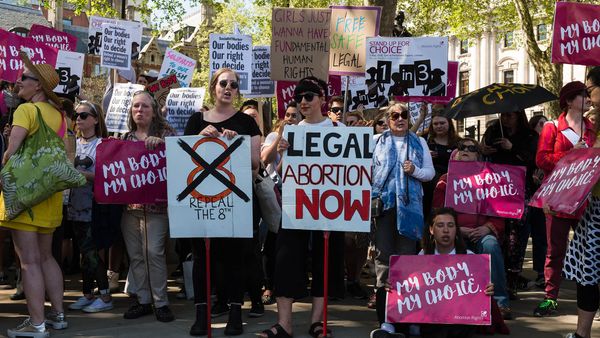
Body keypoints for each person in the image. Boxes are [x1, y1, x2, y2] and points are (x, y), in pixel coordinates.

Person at [260, 76, 346, 338]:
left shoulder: (340, 131)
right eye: (299, 98)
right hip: (295, 204)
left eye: (309, 96)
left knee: (324, 259)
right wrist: (284, 152)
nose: (303, 102)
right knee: (286, 260)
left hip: (328, 206)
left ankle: (317, 321)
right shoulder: (293, 130)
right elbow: (280, 172)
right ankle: (284, 324)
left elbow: (350, 172)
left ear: (322, 99)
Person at [184, 68, 261, 336]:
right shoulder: (196, 121)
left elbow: (254, 163)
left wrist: (235, 142)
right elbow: (185, 158)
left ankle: (235, 313)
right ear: (213, 87)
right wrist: (199, 139)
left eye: (234, 85)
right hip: (201, 200)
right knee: (202, 257)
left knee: (234, 258)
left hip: (235, 202)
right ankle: (201, 314)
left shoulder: (247, 123)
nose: (228, 88)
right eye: (223, 83)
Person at [1, 58, 69, 337]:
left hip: (25, 195)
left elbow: (11, 153)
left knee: (27, 260)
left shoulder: (26, 110)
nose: (18, 81)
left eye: (23, 77)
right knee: (45, 257)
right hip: (49, 195)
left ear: (38, 85)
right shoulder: (60, 115)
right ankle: (59, 315)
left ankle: (37, 324)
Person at [370, 208, 495, 338]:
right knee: (384, 292)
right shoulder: (422, 255)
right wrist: (394, 285)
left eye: (450, 225)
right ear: (431, 230)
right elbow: (411, 289)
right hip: (426, 312)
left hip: (453, 320)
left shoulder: (470, 258)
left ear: (456, 230)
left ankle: (414, 330)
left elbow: (476, 300)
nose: (446, 230)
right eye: (440, 225)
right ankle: (388, 331)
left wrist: (486, 290)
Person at [534, 81, 596, 317]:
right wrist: (571, 153)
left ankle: (590, 301)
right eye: (582, 95)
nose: (588, 99)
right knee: (555, 249)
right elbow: (542, 160)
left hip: (585, 198)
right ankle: (550, 298)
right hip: (558, 197)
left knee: (590, 250)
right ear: (569, 101)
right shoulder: (552, 127)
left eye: (588, 94)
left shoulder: (592, 128)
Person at [432, 138, 512, 319]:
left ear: (479, 155)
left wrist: (487, 228)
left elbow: (500, 216)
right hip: (453, 235)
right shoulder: (445, 181)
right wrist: (456, 229)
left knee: (490, 244)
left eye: (471, 148)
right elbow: (436, 216)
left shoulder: (491, 180)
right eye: (461, 147)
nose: (465, 150)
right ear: (456, 154)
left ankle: (500, 302)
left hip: (481, 233)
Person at [370, 102, 435, 311]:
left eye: (404, 115)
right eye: (395, 115)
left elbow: (430, 173)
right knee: (383, 256)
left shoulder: (419, 142)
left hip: (410, 208)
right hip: (384, 206)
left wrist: (414, 170)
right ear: (388, 120)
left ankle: (405, 307)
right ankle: (384, 307)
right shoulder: (375, 141)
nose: (400, 119)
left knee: (406, 255)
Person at [120, 91, 176, 323]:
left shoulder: (166, 134)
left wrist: (163, 146)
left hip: (158, 209)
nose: (139, 110)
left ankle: (161, 302)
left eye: (144, 106)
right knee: (136, 255)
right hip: (130, 208)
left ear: (154, 111)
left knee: (153, 252)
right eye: (135, 106)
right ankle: (143, 300)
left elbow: (180, 161)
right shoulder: (125, 138)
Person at [482, 110, 538, 299]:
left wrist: (512, 147)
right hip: (496, 187)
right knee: (499, 232)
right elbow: (484, 153)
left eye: (510, 116)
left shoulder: (529, 135)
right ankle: (497, 279)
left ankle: (512, 281)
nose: (505, 119)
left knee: (517, 236)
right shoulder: (493, 130)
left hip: (519, 189)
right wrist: (484, 149)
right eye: (503, 115)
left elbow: (533, 159)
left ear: (518, 117)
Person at [562, 67, 600, 338]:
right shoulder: (594, 123)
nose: (588, 96)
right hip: (594, 207)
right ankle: (581, 333)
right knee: (589, 274)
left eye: (590, 89)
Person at [67, 101, 113, 313]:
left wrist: (86, 176)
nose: (78, 118)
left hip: (94, 207)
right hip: (74, 205)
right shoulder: (71, 143)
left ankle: (105, 295)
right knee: (83, 253)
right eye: (76, 115)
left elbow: (109, 176)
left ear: (95, 119)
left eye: (84, 115)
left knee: (92, 251)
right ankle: (88, 293)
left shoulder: (104, 145)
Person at [260, 101, 301, 307]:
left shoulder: (304, 138)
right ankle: (268, 286)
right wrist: (279, 141)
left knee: (293, 244)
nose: (291, 118)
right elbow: (265, 159)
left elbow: (289, 171)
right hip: (275, 196)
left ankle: (293, 286)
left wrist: (290, 151)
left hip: (296, 196)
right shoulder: (273, 136)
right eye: (288, 114)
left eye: (295, 116)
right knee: (271, 241)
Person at [422, 113, 460, 219]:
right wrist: (424, 154)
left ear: (449, 124)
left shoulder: (458, 142)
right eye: (435, 124)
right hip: (429, 186)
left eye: (442, 123)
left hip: (451, 184)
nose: (439, 126)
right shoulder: (424, 140)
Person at [526, 114, 549, 289]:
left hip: (544, 195)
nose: (544, 125)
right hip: (528, 193)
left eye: (546, 122)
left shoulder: (550, 141)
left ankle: (542, 272)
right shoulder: (529, 142)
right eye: (541, 123)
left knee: (542, 235)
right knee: (526, 234)